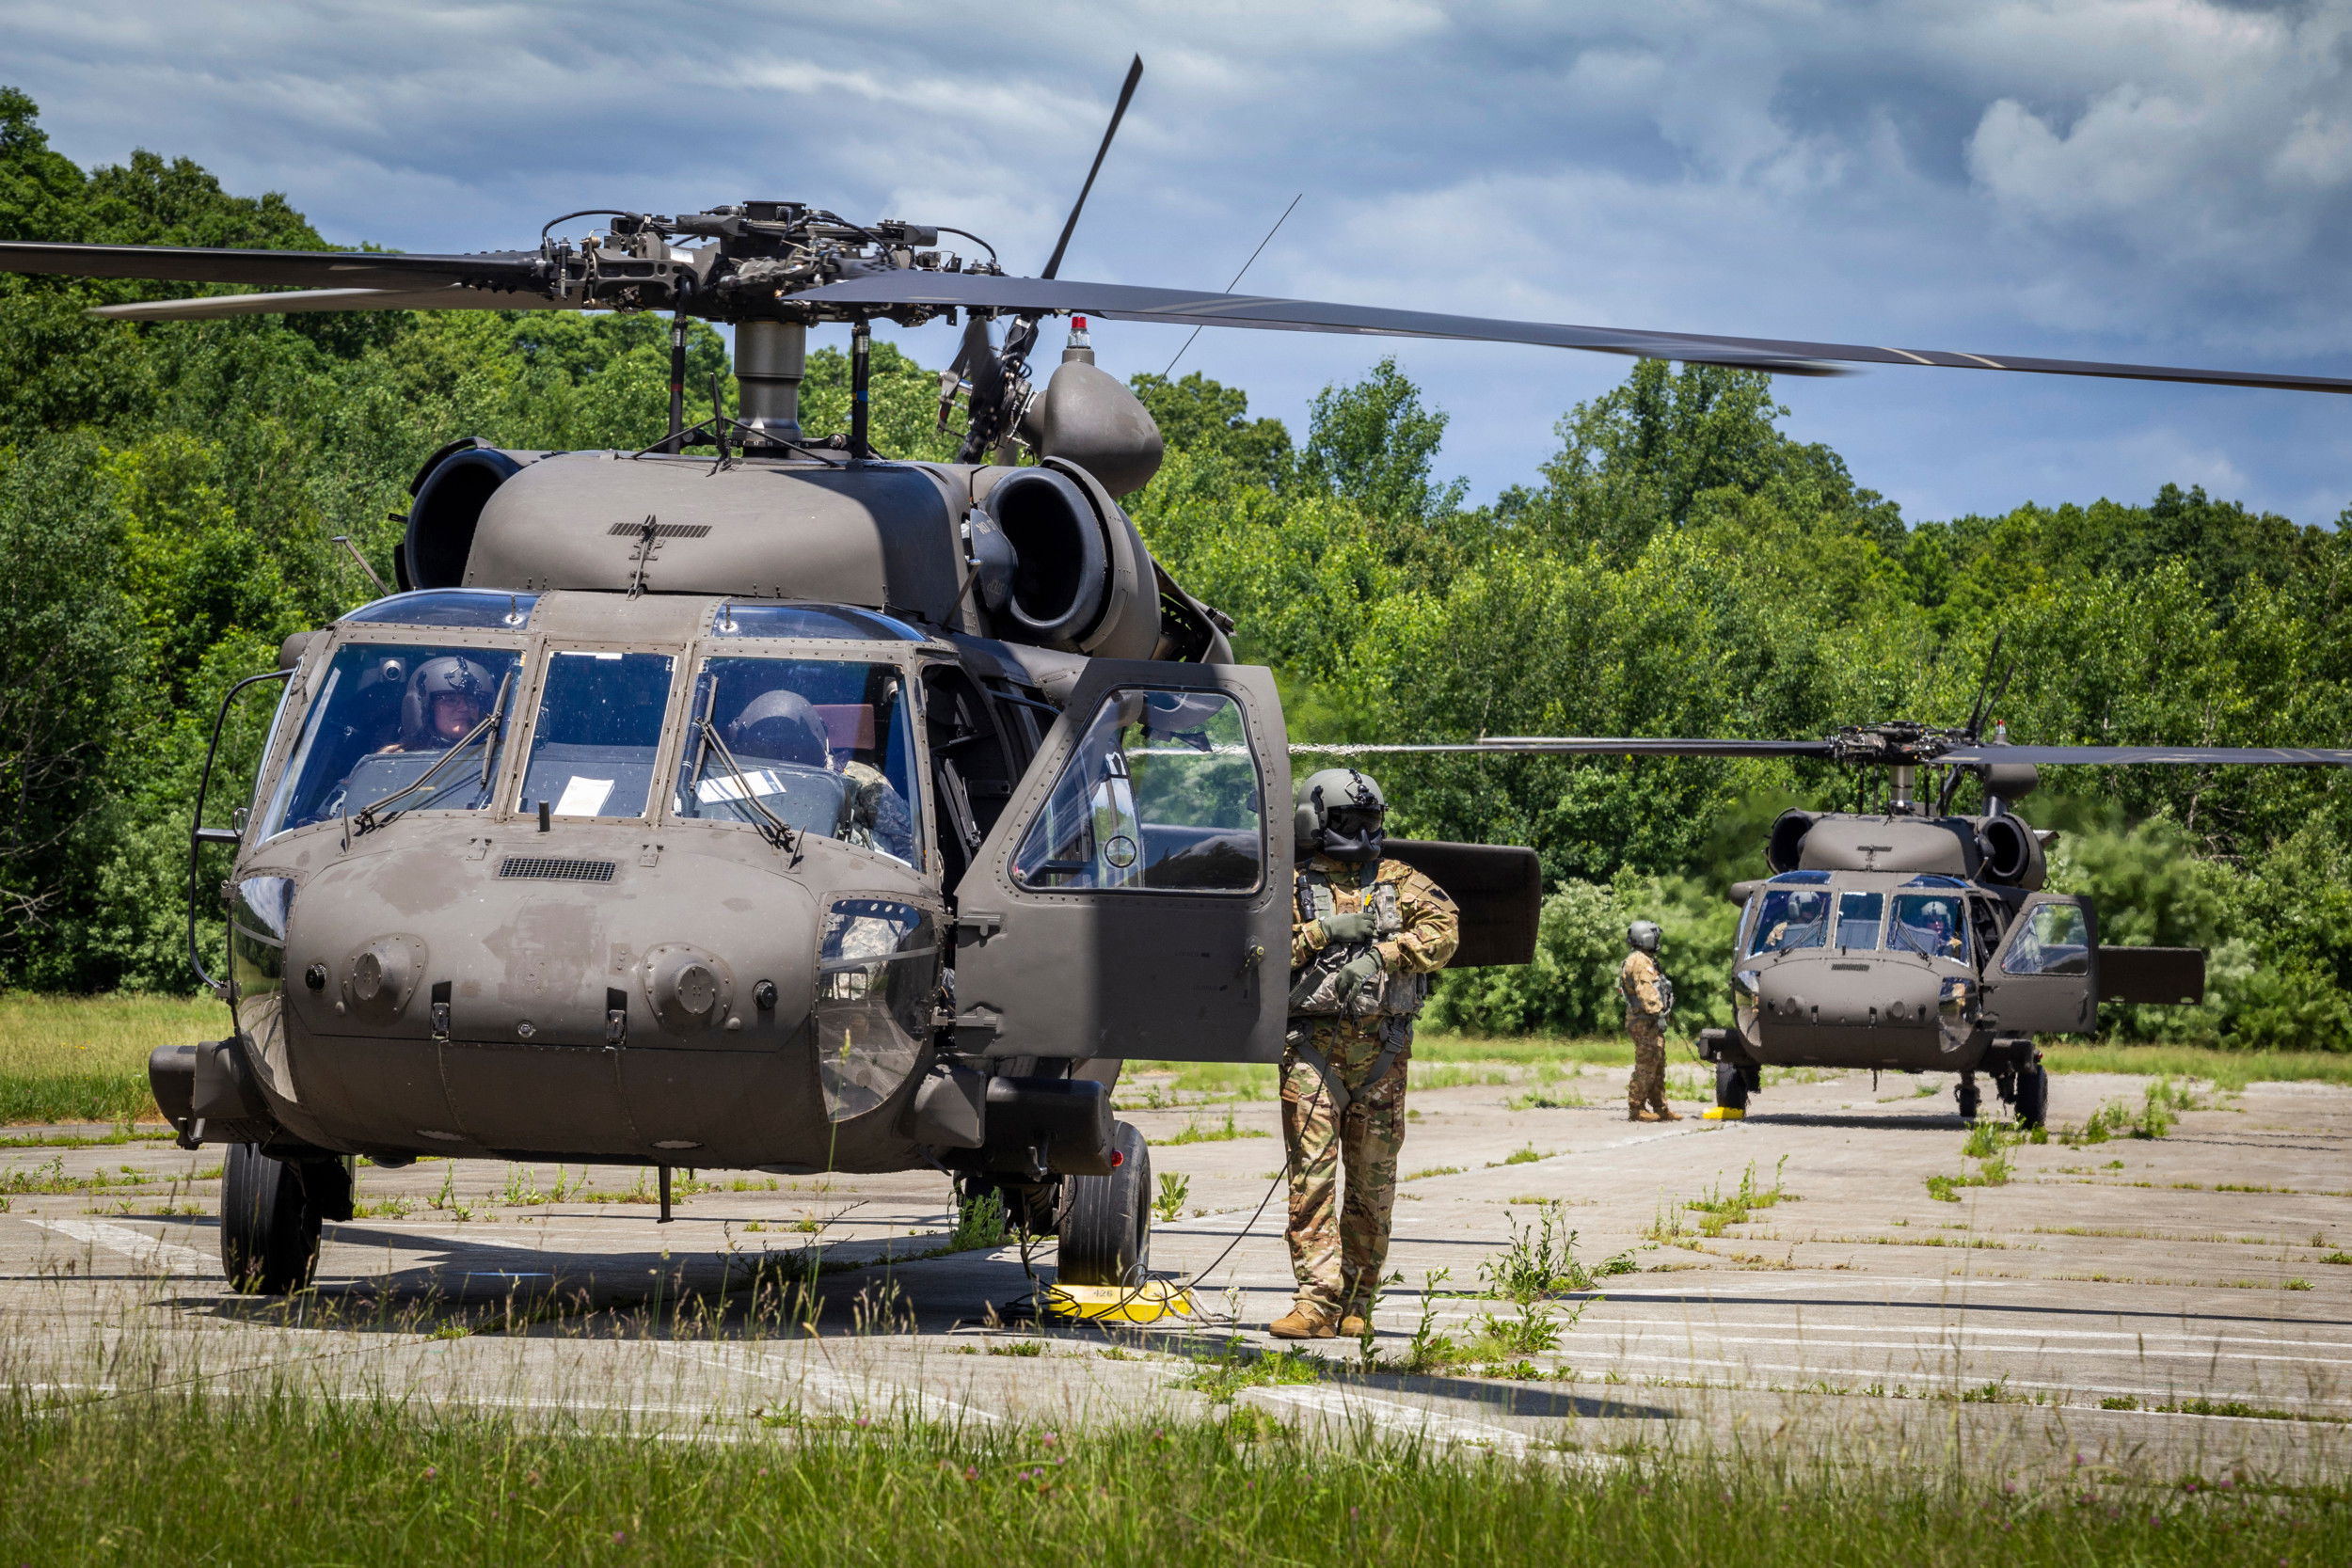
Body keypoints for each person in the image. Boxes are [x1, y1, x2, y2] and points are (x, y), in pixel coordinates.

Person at [1270, 768, 1459, 1341]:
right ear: (1316, 823)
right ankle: (1316, 1302)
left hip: (1384, 1052)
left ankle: (1357, 1302)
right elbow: (1259, 952)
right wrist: (1324, 932)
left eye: (1367, 820)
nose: (1359, 831)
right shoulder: (1288, 885)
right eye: (1347, 820)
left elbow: (1445, 931)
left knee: (1373, 1186)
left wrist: (1383, 955)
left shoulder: (1400, 880)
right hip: (1312, 1052)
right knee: (1312, 1181)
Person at [724, 687, 914, 861]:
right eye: (768, 743)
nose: (779, 749)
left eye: (789, 742)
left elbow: (910, 843)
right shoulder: (735, 781)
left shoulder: (864, 783)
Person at [1621, 920, 1679, 1123]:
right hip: (1644, 1021)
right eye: (1654, 936)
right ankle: (1636, 1108)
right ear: (1645, 937)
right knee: (1646, 1064)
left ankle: (1660, 1107)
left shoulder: (1643, 959)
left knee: (1657, 1063)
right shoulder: (1640, 961)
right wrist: (1659, 1014)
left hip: (1648, 1020)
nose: (1656, 940)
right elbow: (1646, 993)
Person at [384, 656, 492, 752]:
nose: (464, 708)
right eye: (451, 700)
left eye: (471, 700)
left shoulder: (496, 756)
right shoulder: (394, 762)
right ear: (428, 709)